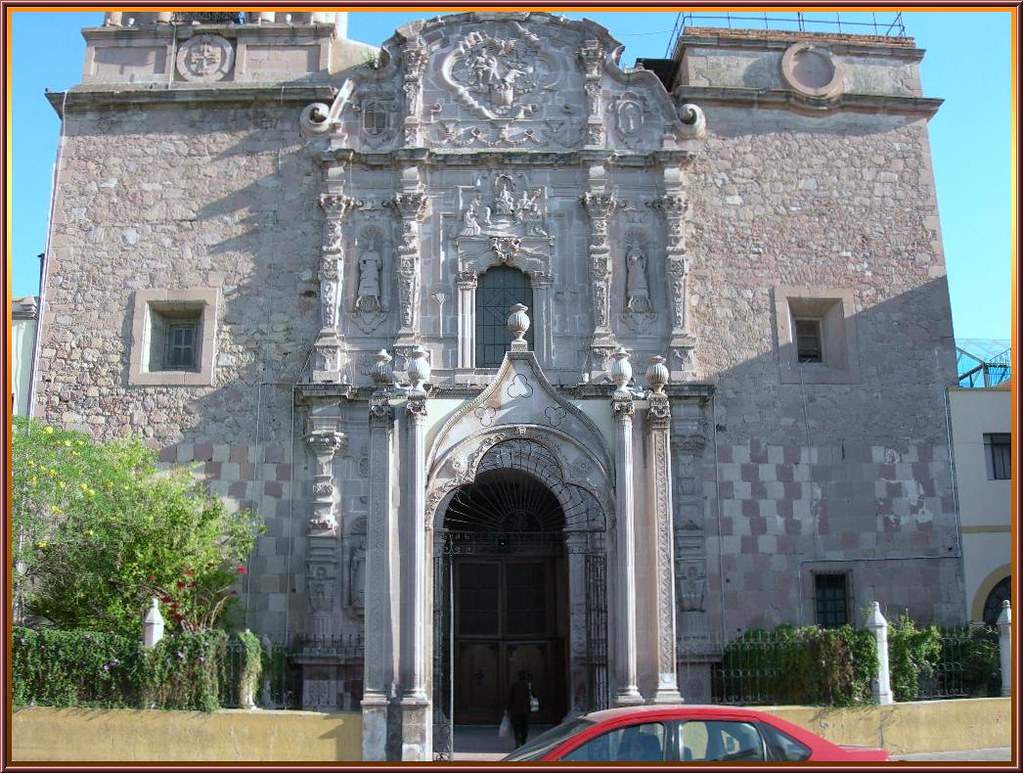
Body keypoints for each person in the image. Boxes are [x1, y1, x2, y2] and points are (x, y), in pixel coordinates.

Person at [507, 670, 532, 747]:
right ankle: (524, 742)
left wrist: (507, 708)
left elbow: (510, 698)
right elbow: (534, 695)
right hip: (526, 709)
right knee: (525, 726)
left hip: (515, 710)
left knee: (516, 727)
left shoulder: (515, 685)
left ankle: (517, 742)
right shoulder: (529, 686)